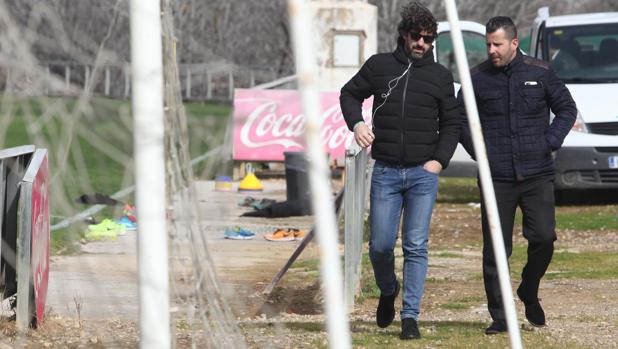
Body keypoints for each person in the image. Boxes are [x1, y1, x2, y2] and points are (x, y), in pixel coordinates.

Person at [340, 1, 461, 340]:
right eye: (416, 36)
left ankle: (410, 317)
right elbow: (349, 94)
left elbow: (452, 123)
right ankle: (387, 288)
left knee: (416, 244)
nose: (422, 43)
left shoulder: (440, 75)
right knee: (379, 245)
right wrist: (357, 123)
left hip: (423, 173)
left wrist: (439, 161)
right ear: (404, 35)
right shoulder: (379, 66)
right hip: (387, 172)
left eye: (428, 38)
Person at [458, 16, 577, 334]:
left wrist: (550, 142)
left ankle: (529, 289)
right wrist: (479, 155)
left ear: (513, 43)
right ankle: (500, 316)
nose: (492, 51)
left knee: (543, 238)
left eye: (497, 44)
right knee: (496, 248)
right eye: (488, 45)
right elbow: (459, 119)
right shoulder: (477, 78)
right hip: (496, 177)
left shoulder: (540, 72)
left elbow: (566, 108)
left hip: (536, 173)